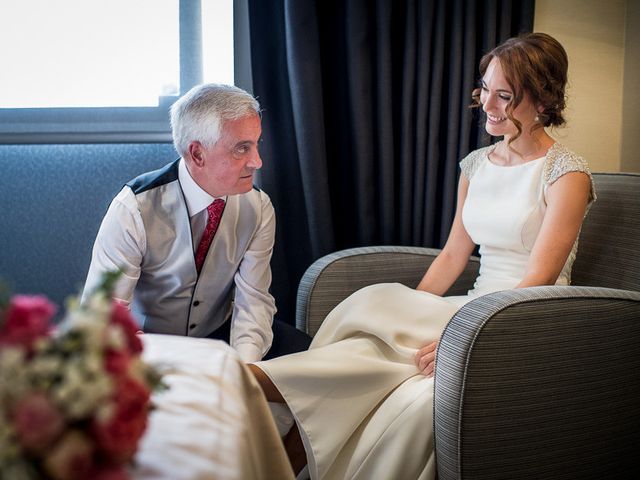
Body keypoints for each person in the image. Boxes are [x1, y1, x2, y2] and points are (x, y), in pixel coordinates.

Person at [248, 32, 596, 479]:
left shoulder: (566, 173)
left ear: (543, 100)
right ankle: (278, 430)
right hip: (472, 302)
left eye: (504, 95)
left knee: (408, 395)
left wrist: (464, 335)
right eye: (485, 88)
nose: (487, 104)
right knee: (378, 323)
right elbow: (453, 255)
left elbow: (542, 276)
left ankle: (266, 382)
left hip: (524, 317)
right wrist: (414, 312)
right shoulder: (476, 164)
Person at [82, 83, 311, 362]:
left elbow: (253, 301)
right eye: (242, 148)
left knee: (317, 363)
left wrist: (243, 369)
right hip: (152, 344)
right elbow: (105, 311)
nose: (257, 161)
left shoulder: (258, 207)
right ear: (197, 154)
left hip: (223, 336)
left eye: (256, 144)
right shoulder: (133, 209)